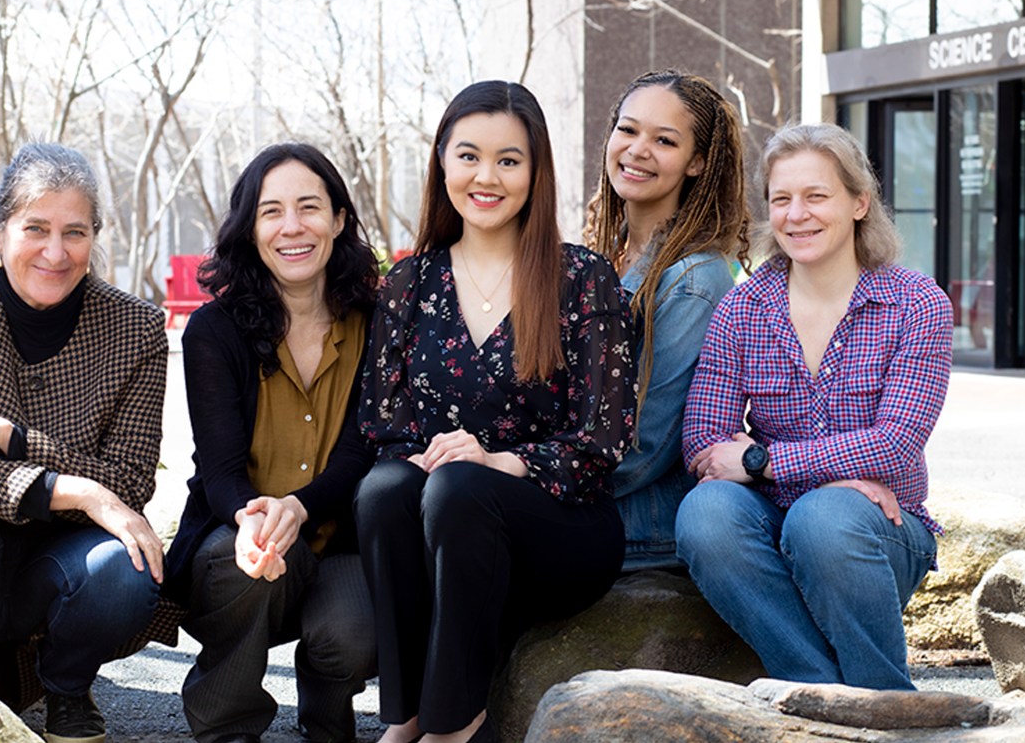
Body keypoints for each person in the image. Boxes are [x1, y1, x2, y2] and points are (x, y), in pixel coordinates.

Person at [354, 80, 635, 743]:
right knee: (384, 488)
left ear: (536, 172)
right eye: (469, 155)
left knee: (460, 487)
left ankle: (457, 724)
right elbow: (383, 425)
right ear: (442, 163)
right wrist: (428, 457)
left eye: (509, 160)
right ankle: (404, 717)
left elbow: (604, 438)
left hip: (558, 528)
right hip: (440, 522)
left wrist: (499, 460)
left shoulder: (582, 279)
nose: (487, 176)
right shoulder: (407, 282)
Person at [0, 143, 167, 743]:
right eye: (35, 228)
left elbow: (127, 482)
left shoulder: (137, 326)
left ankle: (67, 687)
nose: (55, 251)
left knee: (127, 561)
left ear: (94, 236)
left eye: (74, 232)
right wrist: (71, 488)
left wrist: (4, 434)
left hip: (62, 560)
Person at [674, 122, 952, 691]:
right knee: (706, 514)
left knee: (823, 519)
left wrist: (761, 463)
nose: (796, 214)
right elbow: (704, 443)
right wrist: (836, 471)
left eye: (816, 195)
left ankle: (883, 697)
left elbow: (894, 444)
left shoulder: (918, 303)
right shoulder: (743, 308)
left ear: (858, 202)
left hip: (879, 532)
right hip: (771, 523)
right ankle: (815, 688)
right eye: (781, 199)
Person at [165, 143, 379, 743]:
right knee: (248, 569)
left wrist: (301, 506)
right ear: (250, 229)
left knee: (355, 633)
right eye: (271, 212)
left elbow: (362, 452)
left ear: (338, 219)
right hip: (240, 538)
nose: (292, 227)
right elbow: (220, 468)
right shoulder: (216, 328)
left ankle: (328, 719)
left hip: (337, 541)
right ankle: (227, 727)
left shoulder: (375, 321)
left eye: (309, 207)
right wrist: (255, 519)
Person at [583, 70, 748, 571]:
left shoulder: (695, 279)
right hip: (584, 485)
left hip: (638, 516)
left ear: (697, 162)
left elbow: (648, 446)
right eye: (628, 130)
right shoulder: (605, 258)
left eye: (665, 140)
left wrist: (534, 477)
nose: (637, 149)